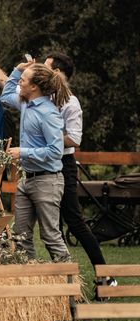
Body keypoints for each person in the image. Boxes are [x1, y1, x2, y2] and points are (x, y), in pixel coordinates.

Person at [44, 52, 112, 278]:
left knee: (74, 221)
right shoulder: (42, 97)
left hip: (63, 163)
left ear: (56, 72)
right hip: (44, 162)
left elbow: (74, 139)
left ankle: (105, 277)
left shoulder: (70, 102)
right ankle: (64, 276)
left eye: (45, 67)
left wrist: (44, 138)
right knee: (53, 223)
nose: (41, 70)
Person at [1, 61, 71, 261]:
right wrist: (16, 70)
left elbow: (55, 151)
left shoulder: (48, 113)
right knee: (20, 236)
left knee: (50, 236)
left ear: (34, 87)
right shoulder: (25, 102)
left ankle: (71, 287)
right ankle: (30, 283)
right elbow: (5, 97)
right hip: (26, 179)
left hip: (47, 181)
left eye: (22, 80)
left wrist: (24, 152)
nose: (19, 82)